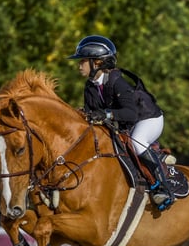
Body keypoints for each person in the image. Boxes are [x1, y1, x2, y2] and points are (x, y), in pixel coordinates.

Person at [68, 35, 174, 210]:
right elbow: (92, 114)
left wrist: (107, 114)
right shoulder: (90, 86)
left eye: (83, 61)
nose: (79, 65)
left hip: (147, 119)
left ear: (98, 63)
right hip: (127, 122)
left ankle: (161, 187)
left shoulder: (118, 83)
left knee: (136, 143)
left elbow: (130, 114)